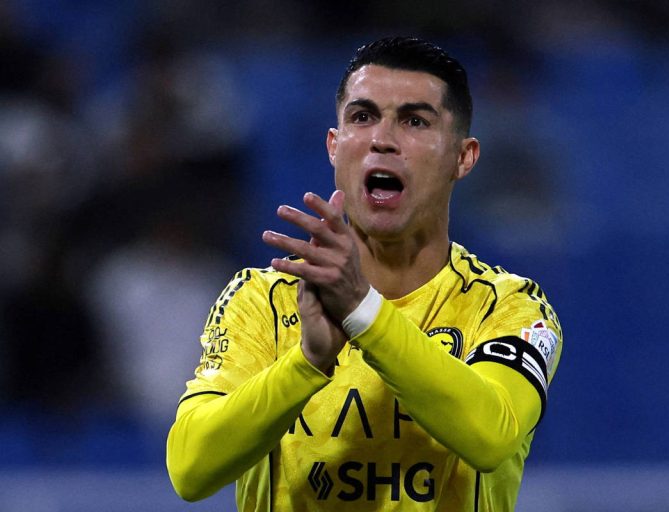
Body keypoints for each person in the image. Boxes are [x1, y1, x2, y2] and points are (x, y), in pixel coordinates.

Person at [166, 36, 563, 511]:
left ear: (464, 157)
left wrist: (363, 311)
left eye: (415, 121)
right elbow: (190, 468)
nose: (382, 139)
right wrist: (307, 363)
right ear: (334, 147)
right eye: (362, 117)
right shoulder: (262, 299)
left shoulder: (508, 308)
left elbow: (490, 437)